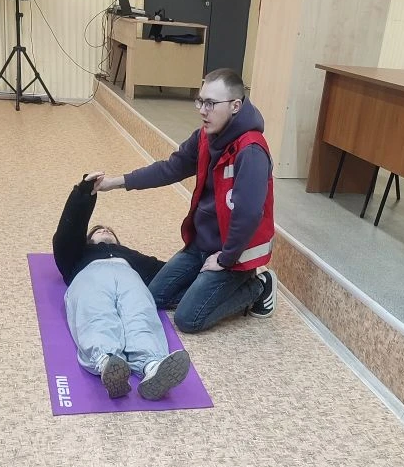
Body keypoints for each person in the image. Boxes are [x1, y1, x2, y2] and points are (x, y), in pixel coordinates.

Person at [93, 68, 277, 333]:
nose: (202, 110)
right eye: (200, 101)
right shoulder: (205, 137)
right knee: (152, 297)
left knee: (188, 319)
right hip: (202, 244)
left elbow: (248, 215)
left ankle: (258, 286)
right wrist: (115, 182)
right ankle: (206, 287)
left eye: (211, 103)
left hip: (235, 253)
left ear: (235, 106)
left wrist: (225, 259)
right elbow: (170, 169)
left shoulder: (251, 150)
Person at [52, 172, 190, 400]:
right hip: (90, 277)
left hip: (129, 277)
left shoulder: (129, 255)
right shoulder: (77, 254)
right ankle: (106, 360)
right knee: (96, 313)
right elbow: (67, 233)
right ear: (88, 240)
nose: (105, 230)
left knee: (140, 314)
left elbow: (166, 272)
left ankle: (152, 366)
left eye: (109, 231)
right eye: (98, 231)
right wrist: (84, 193)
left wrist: (203, 269)